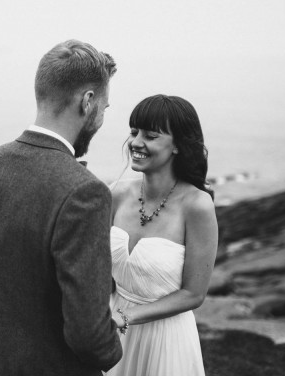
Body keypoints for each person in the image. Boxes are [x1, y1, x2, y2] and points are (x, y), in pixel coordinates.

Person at [0, 40, 123, 376]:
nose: (102, 117)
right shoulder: (85, 191)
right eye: (105, 108)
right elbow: (89, 335)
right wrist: (112, 342)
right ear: (88, 102)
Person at [106, 94, 218, 376]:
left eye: (151, 136)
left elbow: (193, 294)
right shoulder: (116, 193)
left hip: (166, 341)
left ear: (178, 145)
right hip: (111, 332)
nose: (135, 143)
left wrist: (125, 316)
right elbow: (99, 270)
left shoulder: (197, 205)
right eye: (134, 132)